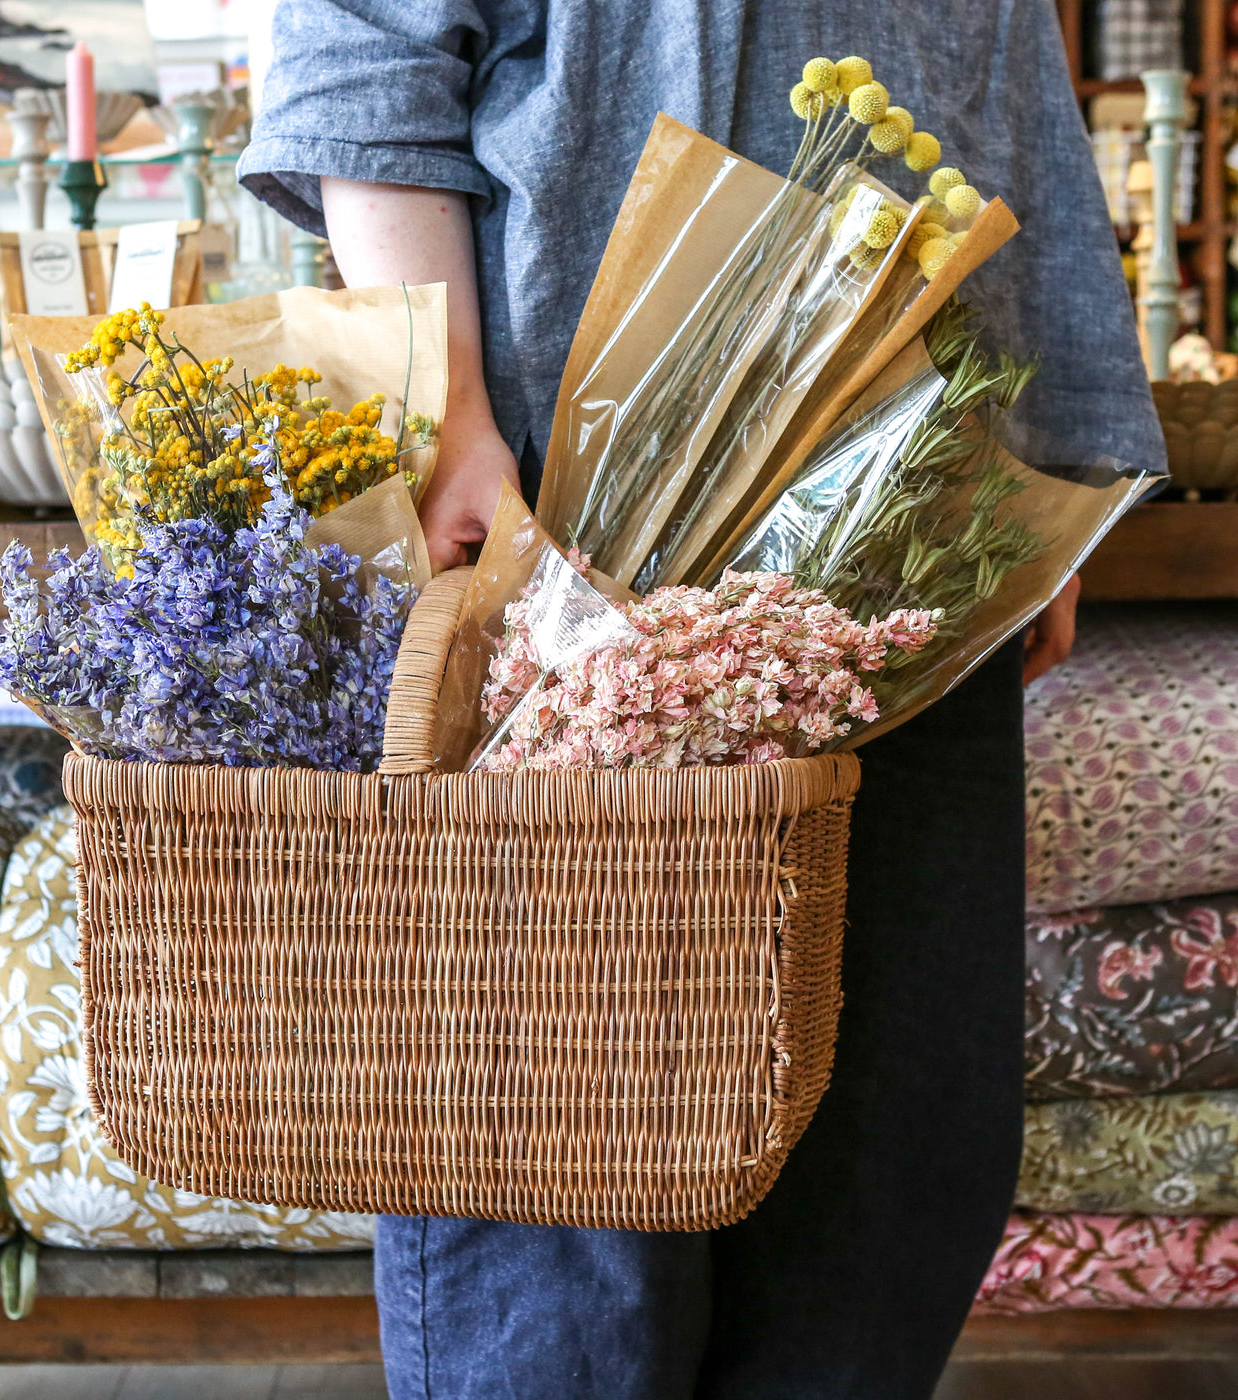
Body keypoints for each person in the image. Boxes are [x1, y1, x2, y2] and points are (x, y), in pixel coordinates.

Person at [240, 5, 1165, 1397]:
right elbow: (366, 42)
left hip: (919, 503)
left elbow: (1006, 63)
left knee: (896, 1159)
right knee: (564, 1204)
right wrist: (444, 410)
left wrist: (1056, 470)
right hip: (573, 513)